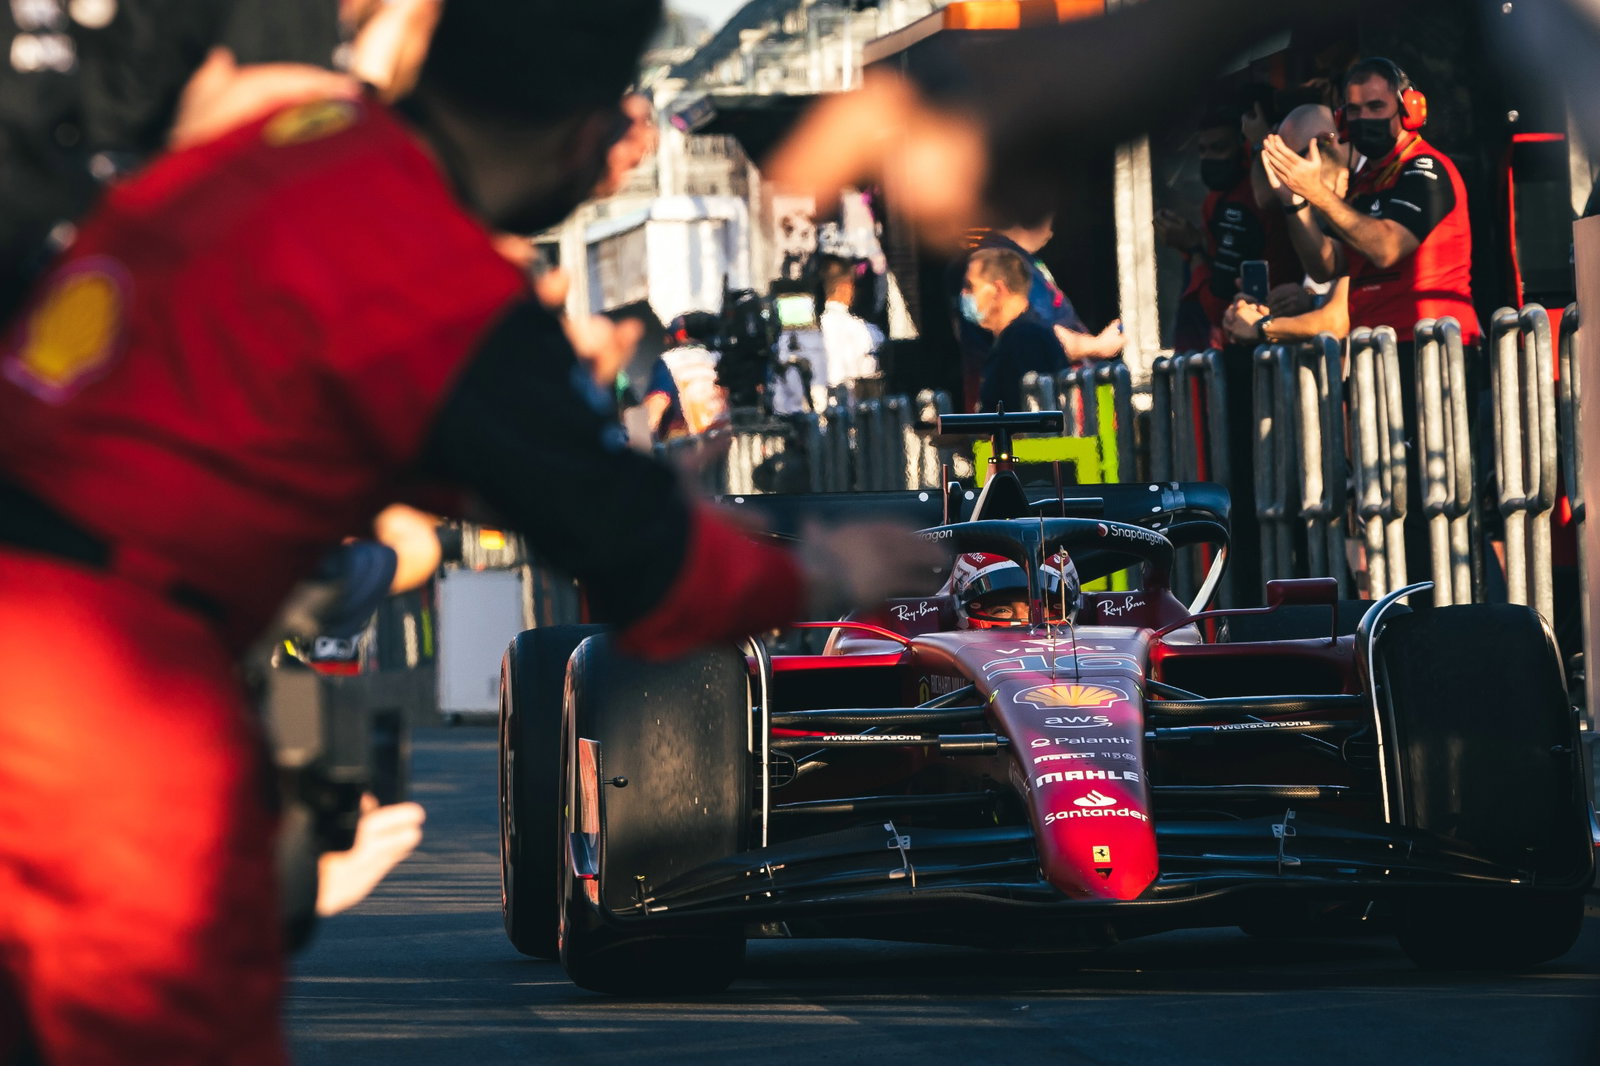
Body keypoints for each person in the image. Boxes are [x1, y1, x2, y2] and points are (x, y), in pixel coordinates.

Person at [0, 2, 943, 1063]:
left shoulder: (278, 148)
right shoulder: (430, 268)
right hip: (92, 691)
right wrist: (822, 566)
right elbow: (645, 568)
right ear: (580, 137)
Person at [1258, 57, 1479, 348]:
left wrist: (1317, 192)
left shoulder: (1427, 170)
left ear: (1407, 110)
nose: (1364, 119)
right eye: (1354, 111)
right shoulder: (1364, 181)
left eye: (1376, 107)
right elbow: (1325, 265)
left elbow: (1387, 248)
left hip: (1433, 351)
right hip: (1376, 352)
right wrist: (1295, 203)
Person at [1154, 100, 1299, 348]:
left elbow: (1219, 306)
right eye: (1202, 150)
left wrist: (1193, 249)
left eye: (1218, 148)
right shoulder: (1216, 200)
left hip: (1258, 335)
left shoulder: (1247, 201)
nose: (1209, 158)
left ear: (1241, 147)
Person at [949, 208, 1123, 406]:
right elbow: (1052, 337)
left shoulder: (1024, 334)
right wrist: (1100, 345)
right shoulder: (1024, 334)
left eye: (969, 287)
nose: (964, 296)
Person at [1223, 104, 1354, 346]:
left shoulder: (1364, 207)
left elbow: (1336, 320)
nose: (1288, 176)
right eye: (1278, 167)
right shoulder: (1310, 210)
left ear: (1325, 141)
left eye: (1289, 161)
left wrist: (1262, 327)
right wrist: (1298, 304)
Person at [965, 247, 1066, 413]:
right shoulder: (1016, 336)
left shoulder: (1026, 338)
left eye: (971, 286)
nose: (965, 294)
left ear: (998, 289)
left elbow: (1032, 420)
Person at [817, 254, 883, 400]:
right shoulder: (864, 331)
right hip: (850, 413)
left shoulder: (811, 329)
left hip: (812, 416)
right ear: (845, 288)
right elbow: (870, 376)